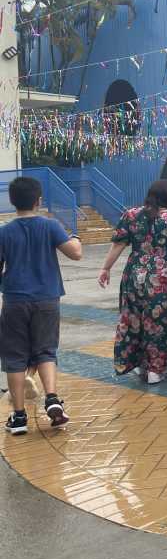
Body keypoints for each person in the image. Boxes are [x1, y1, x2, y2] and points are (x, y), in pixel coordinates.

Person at [1, 177, 83, 435]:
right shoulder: (50, 226)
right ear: (39, 200)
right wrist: (75, 237)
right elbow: (75, 253)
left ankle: (18, 417)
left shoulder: (4, 232)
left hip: (15, 300)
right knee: (46, 351)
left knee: (14, 357)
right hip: (47, 299)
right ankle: (52, 399)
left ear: (12, 201)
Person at [99, 180, 167, 384]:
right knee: (160, 322)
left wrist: (105, 268)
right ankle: (156, 370)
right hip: (163, 277)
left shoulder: (131, 215)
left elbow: (118, 244)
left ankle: (139, 364)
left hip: (134, 276)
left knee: (134, 319)